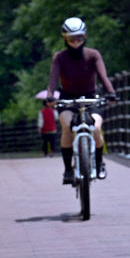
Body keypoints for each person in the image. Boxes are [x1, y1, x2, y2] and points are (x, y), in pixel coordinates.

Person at [46, 17, 117, 184]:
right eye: (72, 38)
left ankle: (99, 164)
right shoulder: (59, 57)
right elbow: (53, 79)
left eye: (79, 37)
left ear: (84, 37)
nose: (76, 41)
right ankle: (68, 170)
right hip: (68, 99)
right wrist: (50, 95)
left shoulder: (93, 55)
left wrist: (111, 93)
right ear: (65, 39)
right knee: (66, 127)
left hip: (91, 97)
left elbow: (103, 76)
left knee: (96, 128)